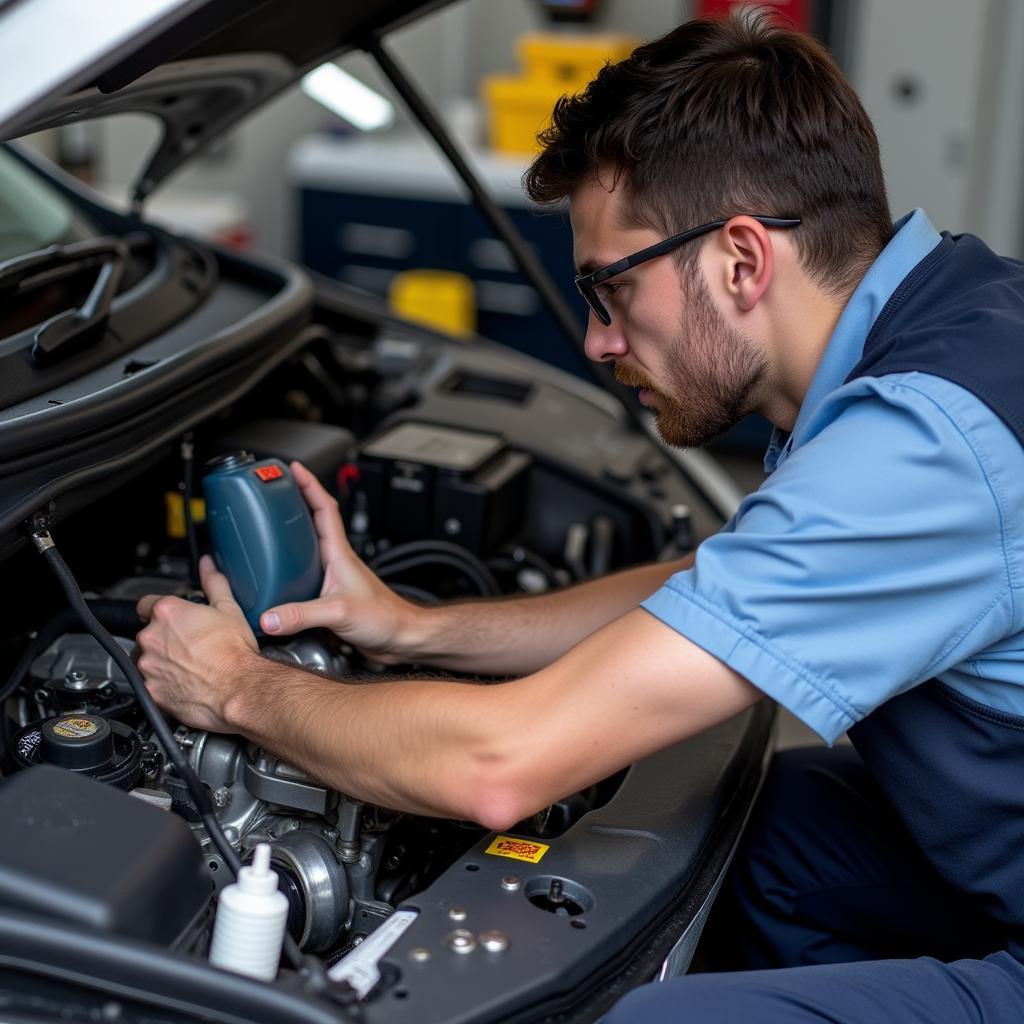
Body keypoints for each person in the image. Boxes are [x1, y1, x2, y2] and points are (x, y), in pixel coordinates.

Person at [136, 14, 1024, 1022]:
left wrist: (240, 689)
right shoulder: (948, 326)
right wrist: (415, 629)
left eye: (612, 289)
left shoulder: (924, 445)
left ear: (741, 258)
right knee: (772, 829)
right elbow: (718, 581)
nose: (600, 342)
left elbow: (499, 767)